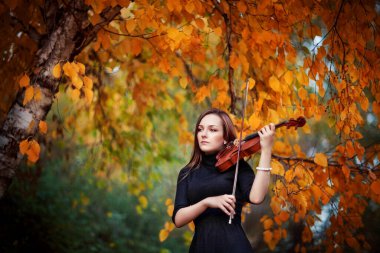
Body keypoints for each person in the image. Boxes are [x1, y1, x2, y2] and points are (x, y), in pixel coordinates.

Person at [172, 108, 275, 253]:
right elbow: (178, 219)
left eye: (213, 130)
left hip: (234, 246)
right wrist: (207, 202)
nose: (204, 134)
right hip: (201, 247)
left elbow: (257, 197)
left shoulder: (238, 166)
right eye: (200, 130)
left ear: (226, 137)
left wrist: (266, 150)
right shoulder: (187, 173)